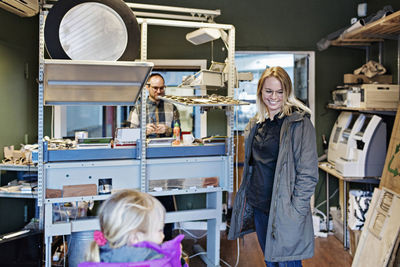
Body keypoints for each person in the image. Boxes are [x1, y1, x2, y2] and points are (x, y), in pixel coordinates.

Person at [228, 66, 318, 266]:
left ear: (287, 92)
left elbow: (308, 174)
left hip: (285, 212)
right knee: (270, 262)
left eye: (280, 92)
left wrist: (296, 213)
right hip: (260, 207)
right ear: (260, 91)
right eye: (269, 91)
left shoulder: (299, 124)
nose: (274, 97)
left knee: (287, 264)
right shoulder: (256, 125)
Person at [82, 189, 186, 266]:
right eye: (159, 230)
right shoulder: (156, 261)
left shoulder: (100, 256)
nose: (163, 235)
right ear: (136, 238)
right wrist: (177, 260)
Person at [128, 73, 180, 138]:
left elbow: (179, 133)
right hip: (145, 148)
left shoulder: (172, 108)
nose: (158, 91)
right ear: (147, 87)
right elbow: (129, 135)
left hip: (167, 147)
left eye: (161, 88)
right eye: (155, 88)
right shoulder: (137, 109)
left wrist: (168, 130)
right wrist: (143, 132)